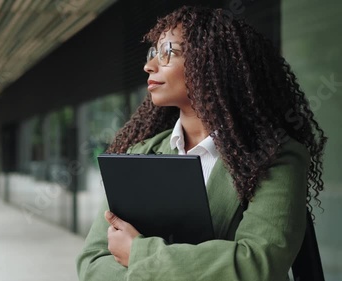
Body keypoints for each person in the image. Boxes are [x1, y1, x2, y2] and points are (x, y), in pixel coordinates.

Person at [76, 5, 327, 281]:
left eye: (167, 53)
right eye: (153, 53)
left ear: (210, 63)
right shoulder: (141, 153)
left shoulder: (275, 157)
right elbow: (93, 262)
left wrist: (139, 254)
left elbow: (257, 264)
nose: (149, 65)